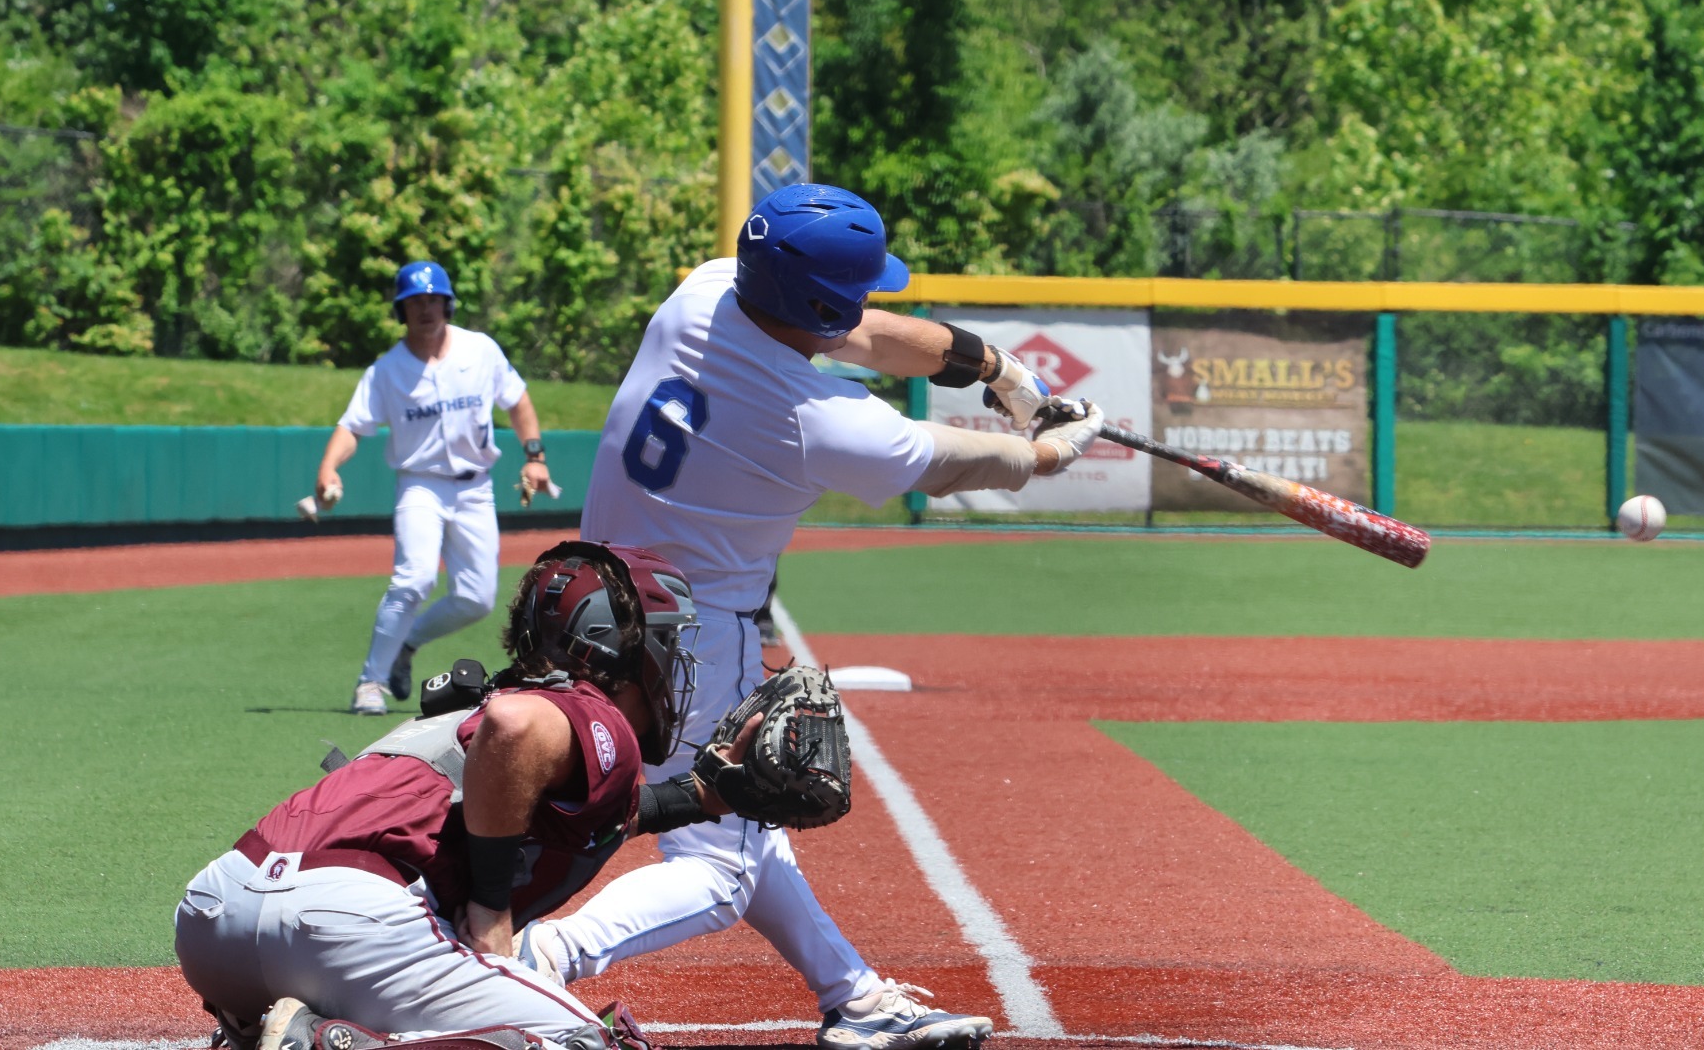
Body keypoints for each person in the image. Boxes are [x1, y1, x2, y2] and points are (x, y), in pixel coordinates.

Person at [516, 184, 1103, 1050]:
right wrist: (1047, 449)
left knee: (746, 822)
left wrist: (999, 370)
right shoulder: (822, 420)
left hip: (588, 606)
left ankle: (854, 999)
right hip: (689, 640)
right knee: (718, 867)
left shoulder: (704, 291)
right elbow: (953, 462)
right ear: (821, 304)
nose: (863, 305)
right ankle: (543, 955)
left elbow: (868, 332)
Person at [175, 540, 756, 1050]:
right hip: (342, 925)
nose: (672, 661)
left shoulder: (468, 713)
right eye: (664, 639)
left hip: (216, 915)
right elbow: (515, 727)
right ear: (616, 648)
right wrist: (491, 906)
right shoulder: (581, 708)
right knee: (586, 1042)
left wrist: (699, 795)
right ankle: (334, 1043)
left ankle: (270, 1027)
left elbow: (558, 813)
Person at [315, 260, 556, 716]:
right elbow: (353, 426)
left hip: (475, 488)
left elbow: (518, 401)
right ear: (400, 311)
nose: (425, 309)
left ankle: (405, 643)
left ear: (447, 304)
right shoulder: (387, 370)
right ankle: (371, 682)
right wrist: (328, 467)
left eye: (433, 299)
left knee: (477, 598)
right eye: (414, 302)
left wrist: (535, 456)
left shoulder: (479, 350)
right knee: (415, 578)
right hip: (420, 486)